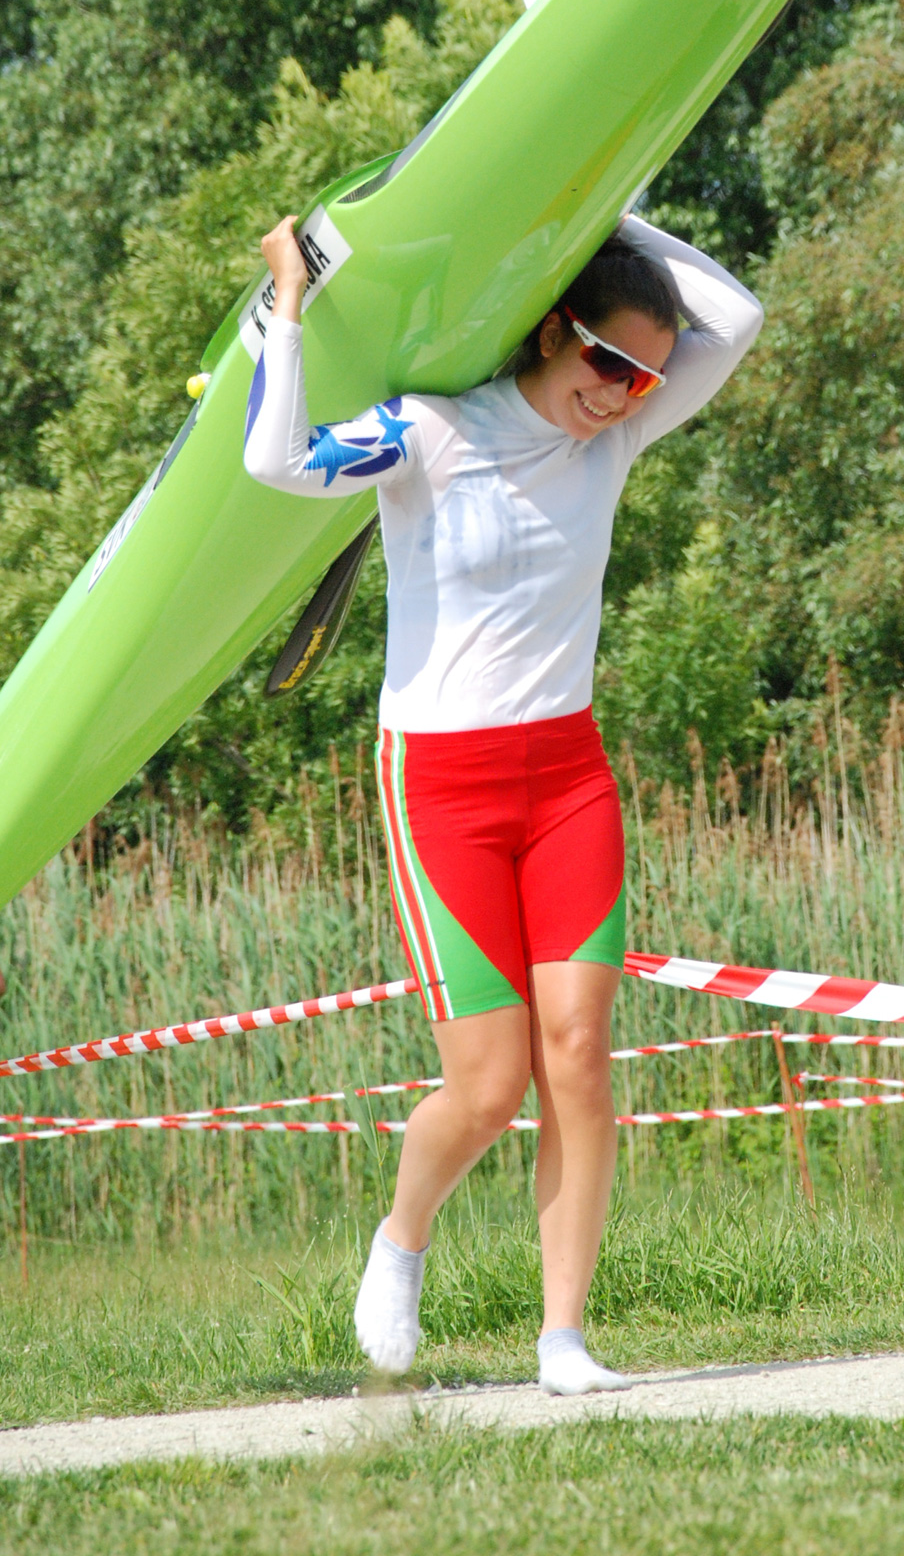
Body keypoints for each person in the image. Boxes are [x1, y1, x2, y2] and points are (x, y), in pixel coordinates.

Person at [245, 210, 762, 1391]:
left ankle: (564, 1339)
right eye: (608, 362)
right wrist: (288, 301)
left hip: (568, 773)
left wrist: (608, 199)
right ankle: (401, 1237)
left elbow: (736, 317)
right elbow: (276, 461)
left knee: (579, 1054)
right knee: (488, 1086)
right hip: (442, 781)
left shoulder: (611, 443)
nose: (628, 393)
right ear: (552, 330)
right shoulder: (432, 433)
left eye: (645, 375)